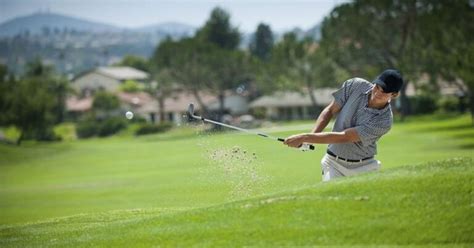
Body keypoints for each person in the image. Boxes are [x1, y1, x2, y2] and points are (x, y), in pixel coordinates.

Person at [283, 69, 403, 181]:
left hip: (364, 167)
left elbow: (344, 137)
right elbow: (330, 110)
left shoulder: (384, 121)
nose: (377, 93)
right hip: (333, 163)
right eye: (377, 87)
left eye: (384, 92)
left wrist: (303, 137)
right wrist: (310, 138)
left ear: (394, 95)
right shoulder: (355, 85)